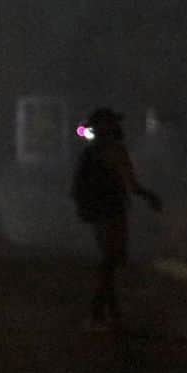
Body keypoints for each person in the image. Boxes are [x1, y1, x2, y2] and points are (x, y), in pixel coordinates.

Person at [72, 107, 162, 331]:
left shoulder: (90, 153)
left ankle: (110, 315)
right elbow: (130, 184)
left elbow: (78, 187)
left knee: (108, 261)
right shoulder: (115, 151)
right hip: (112, 212)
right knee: (110, 261)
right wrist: (148, 195)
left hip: (97, 213)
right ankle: (99, 315)